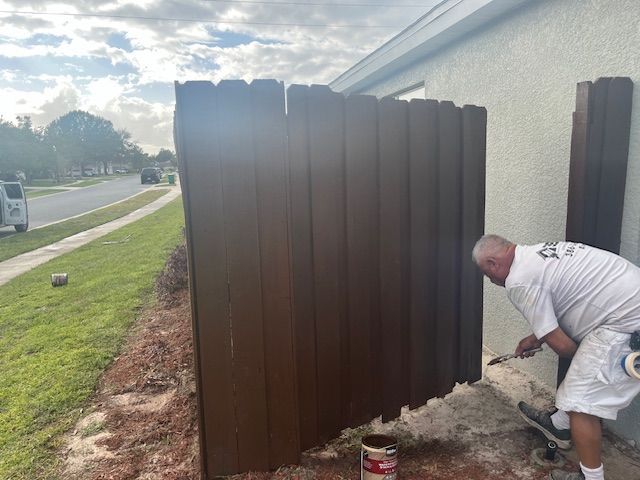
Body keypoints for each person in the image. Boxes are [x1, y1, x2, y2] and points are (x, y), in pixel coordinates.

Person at [472, 234, 640, 480]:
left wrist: (584, 362)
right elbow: (563, 301)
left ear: (493, 263)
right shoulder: (536, 254)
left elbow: (564, 348)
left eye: (487, 274)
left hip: (626, 326)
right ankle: (560, 426)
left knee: (580, 402)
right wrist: (536, 338)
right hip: (627, 311)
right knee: (579, 386)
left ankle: (591, 477)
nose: (490, 280)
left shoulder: (518, 280)